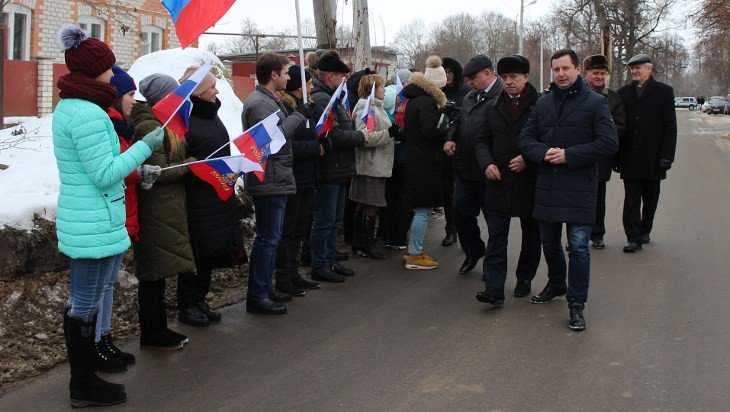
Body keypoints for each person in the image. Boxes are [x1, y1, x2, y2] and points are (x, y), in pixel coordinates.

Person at [53, 24, 162, 407]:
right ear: (93, 71)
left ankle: (87, 377)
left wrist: (137, 164)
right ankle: (83, 385)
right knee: (84, 303)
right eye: (108, 68)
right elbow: (104, 173)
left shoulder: (78, 107)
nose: (113, 75)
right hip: (92, 221)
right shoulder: (87, 114)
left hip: (93, 218)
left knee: (89, 299)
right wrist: (145, 147)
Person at [519, 49, 618, 331]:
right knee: (549, 244)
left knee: (578, 248)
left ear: (577, 70)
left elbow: (609, 143)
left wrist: (569, 155)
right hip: (548, 186)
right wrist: (543, 152)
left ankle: (576, 305)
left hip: (579, 187)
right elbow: (525, 139)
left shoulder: (596, 103)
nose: (561, 74)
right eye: (556, 69)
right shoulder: (543, 103)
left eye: (566, 68)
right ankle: (556, 284)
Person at [133, 73, 197, 348]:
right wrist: (191, 164)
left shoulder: (166, 123)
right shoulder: (150, 126)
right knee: (153, 273)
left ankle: (158, 329)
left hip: (167, 207)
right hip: (156, 209)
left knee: (159, 272)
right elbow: (158, 171)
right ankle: (152, 332)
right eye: (174, 94)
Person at [242, 53, 309, 314]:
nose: (289, 78)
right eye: (286, 72)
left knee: (271, 238)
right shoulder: (259, 104)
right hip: (268, 178)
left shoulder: (270, 100)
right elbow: (271, 140)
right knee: (267, 239)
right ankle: (258, 294)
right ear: (273, 75)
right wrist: (298, 116)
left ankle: (264, 288)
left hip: (275, 176)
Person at [474, 55, 541, 306]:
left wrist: (528, 158)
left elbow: (549, 139)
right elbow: (481, 140)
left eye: (514, 77)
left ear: (526, 77)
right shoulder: (493, 106)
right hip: (498, 180)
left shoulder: (541, 105)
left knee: (531, 235)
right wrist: (487, 163)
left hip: (529, 181)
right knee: (496, 236)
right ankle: (494, 288)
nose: (509, 82)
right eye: (505, 77)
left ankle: (525, 277)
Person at [89, 66, 142, 374]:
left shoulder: (122, 124)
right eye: (130, 94)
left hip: (122, 210)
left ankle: (104, 337)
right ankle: (95, 342)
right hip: (110, 212)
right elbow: (114, 168)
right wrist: (141, 165)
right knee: (98, 286)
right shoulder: (108, 123)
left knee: (108, 283)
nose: (134, 100)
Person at [184, 67, 247, 319]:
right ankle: (187, 305)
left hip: (218, 195)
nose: (216, 91)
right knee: (196, 254)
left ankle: (200, 300)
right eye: (211, 87)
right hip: (198, 200)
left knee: (209, 255)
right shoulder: (186, 120)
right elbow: (184, 162)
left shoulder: (212, 114)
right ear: (198, 92)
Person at [444, 54, 504, 275]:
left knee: (495, 223)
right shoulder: (470, 97)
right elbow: (459, 121)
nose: (469, 82)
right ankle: (474, 250)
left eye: (473, 78)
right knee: (460, 212)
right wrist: (451, 138)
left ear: (488, 73)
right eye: (467, 79)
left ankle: (493, 270)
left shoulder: (502, 96)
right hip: (465, 168)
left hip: (490, 170)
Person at [309, 51, 366, 283]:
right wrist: (360, 137)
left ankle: (330, 259)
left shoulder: (332, 96)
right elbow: (332, 134)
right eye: (341, 76)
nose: (344, 80)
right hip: (329, 168)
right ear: (330, 76)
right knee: (325, 220)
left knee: (334, 220)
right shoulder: (322, 99)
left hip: (339, 167)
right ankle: (320, 264)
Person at [618, 54, 677, 253]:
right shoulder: (623, 93)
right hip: (630, 157)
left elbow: (670, 126)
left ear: (649, 69)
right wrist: (617, 156)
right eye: (632, 68)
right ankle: (632, 237)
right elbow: (619, 126)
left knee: (651, 198)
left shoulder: (664, 92)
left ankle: (645, 230)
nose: (635, 71)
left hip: (654, 157)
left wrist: (667, 155)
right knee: (631, 200)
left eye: (639, 67)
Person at [274, 65, 322, 297]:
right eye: (308, 84)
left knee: (300, 227)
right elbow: (287, 145)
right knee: (289, 229)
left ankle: (293, 273)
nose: (311, 87)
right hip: (293, 176)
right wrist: (314, 147)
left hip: (307, 176)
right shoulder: (287, 109)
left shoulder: (304, 108)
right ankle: (283, 276)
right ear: (297, 86)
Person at [402, 72, 449, 270]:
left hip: (414, 159)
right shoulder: (427, 102)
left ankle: (415, 250)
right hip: (425, 162)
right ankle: (415, 254)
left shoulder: (413, 101)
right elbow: (430, 131)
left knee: (420, 209)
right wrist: (445, 122)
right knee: (423, 210)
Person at [582, 55, 627, 249]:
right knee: (576, 199)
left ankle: (597, 234)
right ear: (586, 74)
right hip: (577, 155)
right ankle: (578, 236)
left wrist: (601, 134)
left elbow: (620, 126)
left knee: (598, 198)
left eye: (602, 73)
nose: (599, 77)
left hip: (600, 158)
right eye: (595, 73)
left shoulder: (613, 98)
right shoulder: (577, 93)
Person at [350, 74, 394, 259]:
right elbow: (364, 137)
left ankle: (362, 242)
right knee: (370, 205)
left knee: (369, 205)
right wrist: (389, 133)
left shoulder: (378, 107)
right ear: (372, 89)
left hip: (378, 164)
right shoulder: (365, 108)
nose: (384, 90)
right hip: (370, 165)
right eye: (381, 87)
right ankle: (364, 243)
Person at [440, 57, 470, 247]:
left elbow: (468, 115)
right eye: (444, 72)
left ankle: (464, 229)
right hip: (442, 146)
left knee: (462, 193)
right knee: (447, 192)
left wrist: (454, 110)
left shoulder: (465, 91)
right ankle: (450, 229)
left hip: (461, 147)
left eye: (450, 72)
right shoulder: (439, 92)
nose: (447, 75)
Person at [382, 69, 413, 251]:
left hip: (391, 154)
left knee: (391, 197)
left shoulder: (387, 98)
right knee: (400, 197)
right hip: (400, 154)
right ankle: (397, 237)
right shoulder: (403, 99)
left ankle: (388, 235)